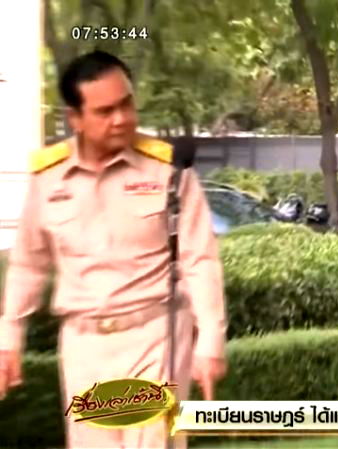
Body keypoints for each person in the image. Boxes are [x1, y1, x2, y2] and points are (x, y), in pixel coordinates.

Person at [0, 50, 227, 448]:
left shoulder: (169, 171)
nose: (121, 118)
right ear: (75, 118)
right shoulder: (48, 179)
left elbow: (199, 260)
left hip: (155, 337)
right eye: (105, 111)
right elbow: (28, 265)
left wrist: (210, 340)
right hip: (83, 345)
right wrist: (9, 340)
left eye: (126, 104)